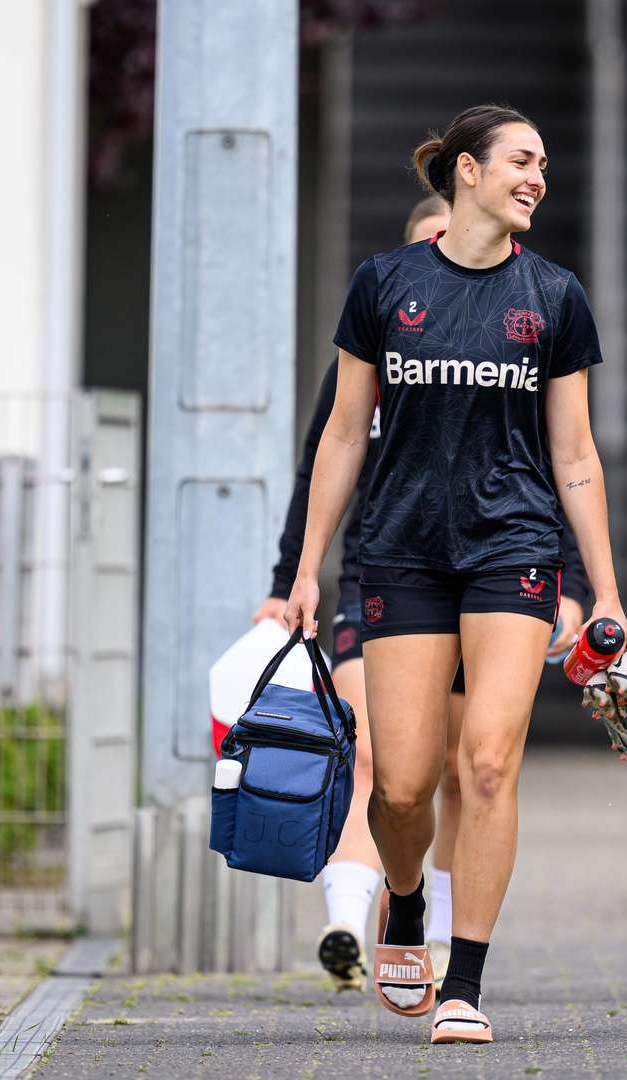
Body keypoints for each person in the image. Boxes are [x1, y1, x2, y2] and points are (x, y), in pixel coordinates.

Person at [284, 104, 627, 1046]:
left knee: (485, 762)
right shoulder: (385, 284)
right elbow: (340, 432)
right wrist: (308, 568)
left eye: (544, 163)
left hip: (512, 550)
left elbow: (575, 455)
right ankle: (404, 905)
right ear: (466, 173)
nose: (537, 176)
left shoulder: (555, 296)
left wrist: (603, 589)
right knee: (401, 788)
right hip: (398, 553)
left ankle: (465, 983)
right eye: (522, 160)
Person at [253, 196, 447, 994]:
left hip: (485, 579)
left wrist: (574, 586)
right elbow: (315, 470)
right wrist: (285, 579)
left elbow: (561, 463)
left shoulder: (515, 337)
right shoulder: (364, 354)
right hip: (379, 575)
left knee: (465, 773)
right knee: (375, 755)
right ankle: (346, 918)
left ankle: (443, 932)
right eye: (426, 245)